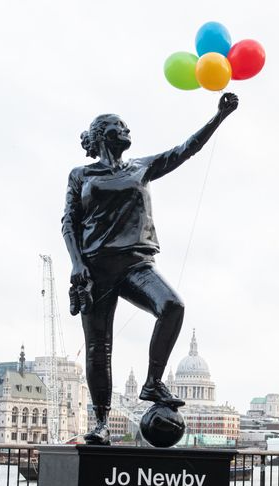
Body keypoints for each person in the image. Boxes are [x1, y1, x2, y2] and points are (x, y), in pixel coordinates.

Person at [61, 93, 240, 445]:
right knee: (99, 347)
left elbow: (185, 150)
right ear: (101, 136)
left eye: (126, 126)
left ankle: (153, 381)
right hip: (96, 269)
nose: (126, 129)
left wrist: (219, 117)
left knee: (172, 306)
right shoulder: (80, 174)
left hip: (135, 264)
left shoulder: (141, 167)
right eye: (117, 125)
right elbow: (69, 222)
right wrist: (77, 263)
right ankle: (99, 424)